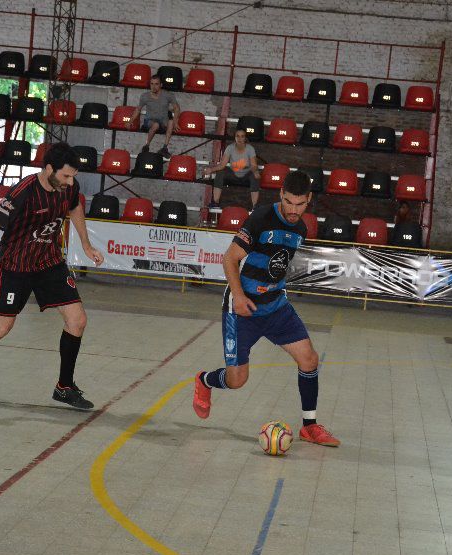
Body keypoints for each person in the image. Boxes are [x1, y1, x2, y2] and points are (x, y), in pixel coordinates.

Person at [0, 143, 105, 410]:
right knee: (0, 329)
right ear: (49, 168)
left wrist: (86, 246)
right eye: (66, 175)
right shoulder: (24, 191)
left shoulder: (69, 187)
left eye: (73, 176)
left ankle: (64, 387)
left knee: (77, 321)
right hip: (17, 266)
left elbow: (75, 206)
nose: (70, 181)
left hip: (50, 262)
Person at [192, 171, 340, 446]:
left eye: (300, 204)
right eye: (288, 202)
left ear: (309, 199)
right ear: (280, 195)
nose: (294, 210)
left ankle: (310, 426)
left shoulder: (301, 228)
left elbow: (278, 264)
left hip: (276, 307)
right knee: (237, 380)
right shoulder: (261, 218)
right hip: (242, 308)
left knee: (309, 359)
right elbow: (229, 259)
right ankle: (205, 380)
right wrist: (238, 296)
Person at [203, 129, 260, 207]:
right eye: (238, 136)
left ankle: (255, 205)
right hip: (233, 174)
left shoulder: (250, 148)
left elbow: (253, 165)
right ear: (235, 138)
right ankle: (216, 202)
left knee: (255, 176)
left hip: (246, 174)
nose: (240, 139)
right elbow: (222, 165)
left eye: (242, 136)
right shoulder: (230, 148)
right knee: (220, 172)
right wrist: (211, 170)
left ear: (245, 138)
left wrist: (256, 172)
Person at [129, 74, 180, 158]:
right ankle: (147, 145)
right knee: (155, 124)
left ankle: (164, 148)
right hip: (149, 121)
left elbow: (177, 108)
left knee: (171, 122)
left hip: (163, 121)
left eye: (156, 84)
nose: (154, 86)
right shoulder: (145, 96)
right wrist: (130, 121)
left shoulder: (168, 95)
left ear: (161, 85)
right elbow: (138, 109)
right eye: (152, 84)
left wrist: (175, 122)